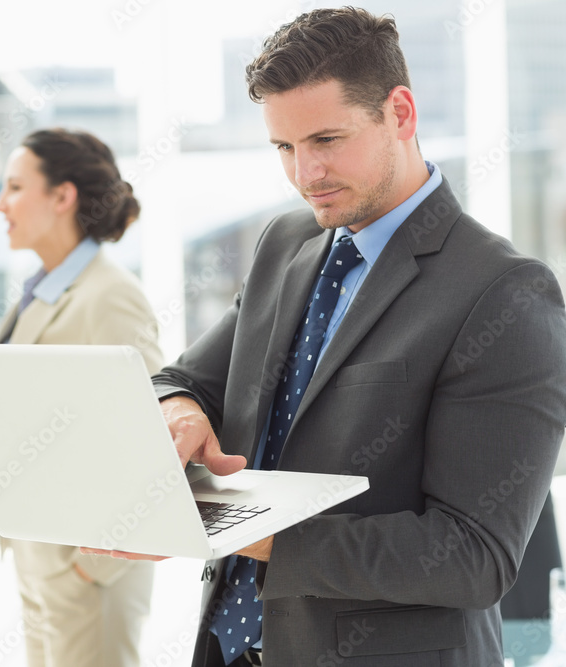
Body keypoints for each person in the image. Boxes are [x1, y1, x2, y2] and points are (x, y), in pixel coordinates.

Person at [84, 7, 566, 667]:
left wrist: (250, 531)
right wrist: (181, 408)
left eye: (326, 140)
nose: (304, 173)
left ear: (400, 113)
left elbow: (472, 556)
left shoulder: (504, 293)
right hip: (230, 648)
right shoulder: (287, 243)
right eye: (284, 147)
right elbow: (187, 377)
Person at [0, 128, 164, 667]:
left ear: (62, 197)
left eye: (16, 187)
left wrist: (94, 566)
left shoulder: (110, 295)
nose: (2, 204)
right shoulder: (43, 289)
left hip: (89, 566)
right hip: (42, 553)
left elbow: (153, 435)